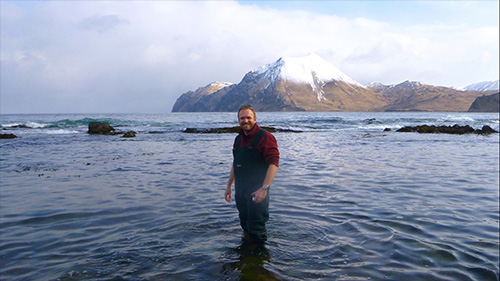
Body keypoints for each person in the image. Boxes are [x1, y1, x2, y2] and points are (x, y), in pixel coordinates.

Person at [225, 105, 279, 242]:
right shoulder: (238, 139)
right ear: (238, 120)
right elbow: (236, 163)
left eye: (248, 117)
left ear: (255, 119)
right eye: (242, 118)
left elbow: (274, 163)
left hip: (258, 190)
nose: (245, 121)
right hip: (241, 190)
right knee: (244, 224)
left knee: (257, 229)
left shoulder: (265, 137)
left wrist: (264, 188)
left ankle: (259, 260)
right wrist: (229, 185)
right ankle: (245, 257)